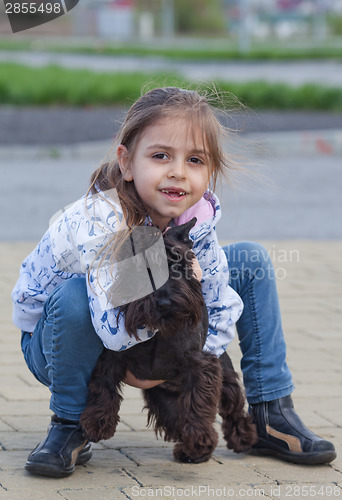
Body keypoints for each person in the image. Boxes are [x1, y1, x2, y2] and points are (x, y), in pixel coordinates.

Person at [12, 87, 336, 478]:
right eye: (161, 156)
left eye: (195, 160)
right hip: (58, 346)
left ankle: (271, 413)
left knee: (251, 259)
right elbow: (111, 332)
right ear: (127, 162)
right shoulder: (99, 221)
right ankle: (68, 425)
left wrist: (197, 360)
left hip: (141, 333)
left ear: (209, 172)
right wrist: (160, 355)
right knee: (73, 296)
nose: (178, 172)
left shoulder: (197, 216)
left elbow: (217, 302)